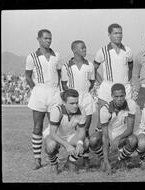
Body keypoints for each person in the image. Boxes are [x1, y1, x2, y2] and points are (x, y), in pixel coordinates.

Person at [25, 29, 62, 170]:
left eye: (50, 38)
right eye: (45, 38)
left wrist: (58, 91)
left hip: (54, 92)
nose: (48, 41)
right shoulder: (32, 57)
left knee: (55, 127)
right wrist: (35, 89)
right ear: (38, 39)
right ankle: (37, 159)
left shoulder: (57, 55)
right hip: (39, 91)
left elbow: (59, 74)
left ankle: (54, 160)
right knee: (37, 126)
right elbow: (28, 76)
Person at [89, 83, 138, 175]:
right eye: (116, 96)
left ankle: (121, 159)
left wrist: (118, 138)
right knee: (93, 140)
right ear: (112, 96)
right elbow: (105, 136)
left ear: (125, 95)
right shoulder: (105, 109)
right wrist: (106, 160)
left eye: (122, 96)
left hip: (123, 134)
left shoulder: (131, 104)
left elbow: (130, 129)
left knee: (133, 140)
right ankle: (104, 159)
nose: (119, 99)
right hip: (108, 133)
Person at [43, 89, 91, 174]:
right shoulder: (56, 111)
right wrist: (67, 145)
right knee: (51, 146)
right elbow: (52, 133)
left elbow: (81, 131)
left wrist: (79, 143)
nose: (75, 106)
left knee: (85, 143)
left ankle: (70, 162)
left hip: (69, 134)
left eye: (76, 102)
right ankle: (54, 163)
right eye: (72, 103)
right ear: (64, 103)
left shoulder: (82, 110)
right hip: (55, 135)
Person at [93, 23, 133, 103]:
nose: (119, 36)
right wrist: (102, 83)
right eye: (115, 33)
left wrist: (125, 81)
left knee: (125, 114)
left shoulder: (128, 50)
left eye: (120, 33)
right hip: (107, 89)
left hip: (124, 88)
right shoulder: (102, 51)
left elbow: (130, 68)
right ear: (109, 35)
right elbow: (93, 69)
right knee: (105, 113)